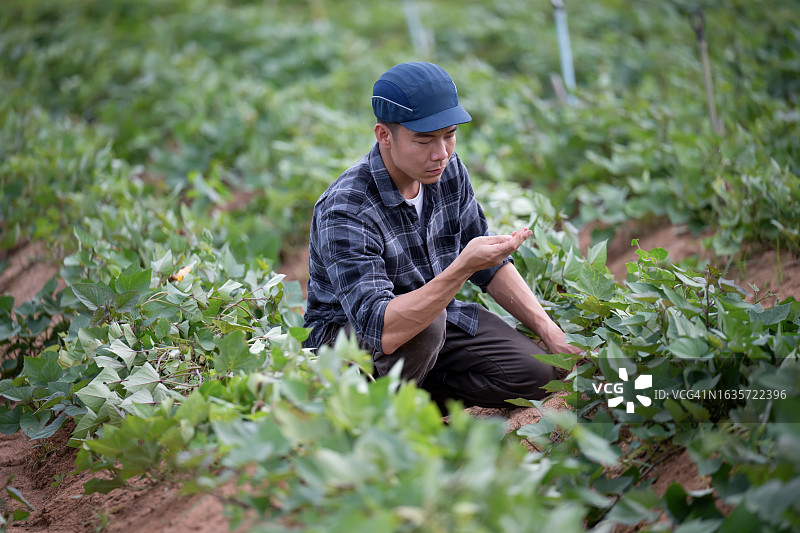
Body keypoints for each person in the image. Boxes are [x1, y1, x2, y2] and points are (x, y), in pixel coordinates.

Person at [303, 61, 581, 410]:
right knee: (428, 324)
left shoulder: (446, 171)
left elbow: (490, 266)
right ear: (384, 136)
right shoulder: (346, 207)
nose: (441, 153)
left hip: (432, 323)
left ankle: (420, 390)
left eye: (449, 135)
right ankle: (378, 411)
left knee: (535, 377)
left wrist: (550, 330)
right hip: (352, 343)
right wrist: (462, 267)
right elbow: (380, 325)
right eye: (424, 140)